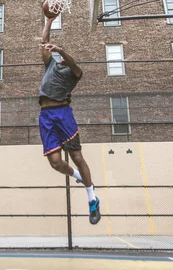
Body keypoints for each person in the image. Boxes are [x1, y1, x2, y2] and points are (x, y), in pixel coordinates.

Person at [38, 15, 101, 225]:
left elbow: (77, 68)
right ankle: (79, 177)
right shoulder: (50, 66)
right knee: (55, 163)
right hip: (46, 116)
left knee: (77, 156)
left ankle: (92, 199)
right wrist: (49, 20)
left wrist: (62, 51)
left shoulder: (73, 74)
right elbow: (43, 44)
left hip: (63, 114)